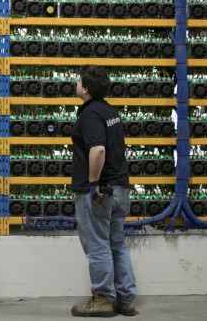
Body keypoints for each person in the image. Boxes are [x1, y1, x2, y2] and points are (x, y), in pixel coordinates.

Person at [70, 65, 138, 317]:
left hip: (101, 191)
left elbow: (97, 149)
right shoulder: (110, 111)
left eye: (78, 81)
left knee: (97, 245)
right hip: (120, 188)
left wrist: (92, 183)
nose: (76, 84)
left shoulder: (90, 114)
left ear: (85, 88)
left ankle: (102, 298)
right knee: (116, 244)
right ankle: (126, 299)